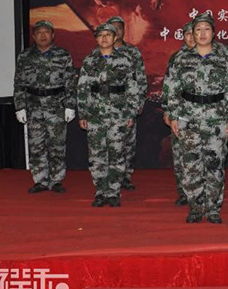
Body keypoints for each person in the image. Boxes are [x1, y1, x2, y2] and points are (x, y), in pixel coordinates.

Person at [166, 13, 228, 224]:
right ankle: (196, 207)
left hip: (216, 118)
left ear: (213, 33)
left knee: (215, 165)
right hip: (188, 118)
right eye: (198, 30)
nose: (202, 33)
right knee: (191, 165)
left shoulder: (223, 59)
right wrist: (174, 115)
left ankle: (214, 208)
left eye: (207, 29)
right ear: (193, 33)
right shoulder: (182, 59)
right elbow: (173, 90)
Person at [76, 23, 141, 207]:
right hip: (95, 115)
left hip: (118, 114)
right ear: (96, 38)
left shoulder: (125, 60)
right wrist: (83, 113)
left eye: (108, 35)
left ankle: (113, 192)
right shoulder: (90, 60)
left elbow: (132, 87)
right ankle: (100, 191)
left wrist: (131, 112)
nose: (104, 38)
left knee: (117, 154)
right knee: (97, 155)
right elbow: (82, 88)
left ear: (115, 38)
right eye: (101, 35)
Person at [13, 20, 77, 194]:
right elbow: (19, 83)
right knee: (36, 145)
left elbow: (70, 82)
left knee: (57, 145)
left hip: (56, 106)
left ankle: (56, 180)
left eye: (46, 32)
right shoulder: (25, 56)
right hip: (33, 106)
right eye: (39, 32)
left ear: (53, 35)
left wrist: (70, 106)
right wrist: (19, 106)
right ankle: (40, 180)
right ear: (33, 36)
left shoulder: (63, 54)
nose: (43, 35)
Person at [106, 16, 148, 191]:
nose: (116, 31)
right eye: (112, 28)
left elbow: (140, 78)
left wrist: (139, 101)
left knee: (128, 143)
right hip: (105, 105)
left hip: (127, 104)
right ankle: (108, 177)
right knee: (106, 142)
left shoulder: (133, 52)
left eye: (119, 28)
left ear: (124, 30)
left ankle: (125, 177)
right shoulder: (100, 51)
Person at [161, 21, 195, 205]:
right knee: (180, 153)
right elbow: (168, 85)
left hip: (205, 112)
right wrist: (167, 110)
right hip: (180, 112)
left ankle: (200, 193)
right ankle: (184, 193)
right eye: (187, 34)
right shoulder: (177, 57)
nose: (191, 37)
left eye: (193, 33)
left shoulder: (212, 55)